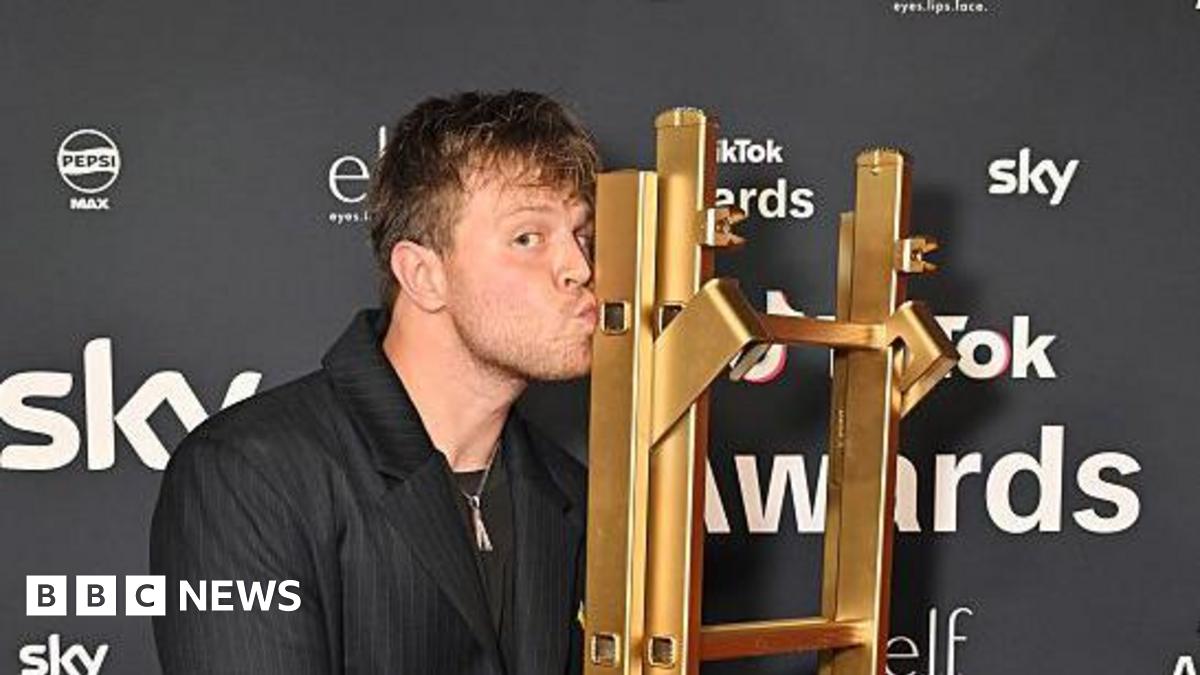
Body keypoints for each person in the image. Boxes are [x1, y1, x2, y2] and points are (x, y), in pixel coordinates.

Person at [149, 90, 599, 675]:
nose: (581, 269)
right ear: (422, 274)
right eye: (527, 238)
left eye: (581, 235)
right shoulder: (246, 476)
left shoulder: (570, 492)